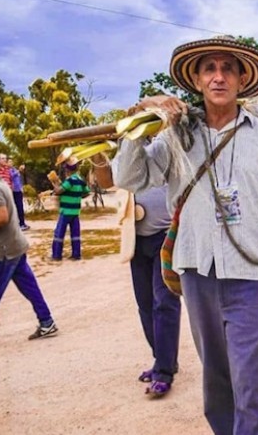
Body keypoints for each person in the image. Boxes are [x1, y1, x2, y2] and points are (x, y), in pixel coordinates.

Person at [112, 35, 258, 435]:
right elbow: (131, 177)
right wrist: (139, 120)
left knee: (254, 383)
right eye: (210, 68)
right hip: (197, 274)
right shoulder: (175, 135)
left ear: (243, 80)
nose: (219, 76)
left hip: (251, 277)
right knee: (217, 383)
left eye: (229, 68)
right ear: (197, 80)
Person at [91, 152, 181, 398]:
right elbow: (107, 182)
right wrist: (97, 156)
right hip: (136, 238)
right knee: (145, 304)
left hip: (167, 236)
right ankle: (163, 359)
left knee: (165, 303)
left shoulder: (166, 146)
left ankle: (164, 372)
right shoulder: (125, 152)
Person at [0, 153, 58, 348]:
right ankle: (47, 322)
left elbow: (1, 217)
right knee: (29, 287)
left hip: (5, 250)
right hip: (15, 246)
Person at [51, 158, 90, 261]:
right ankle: (76, 254)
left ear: (67, 170)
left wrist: (55, 183)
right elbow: (87, 192)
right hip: (76, 211)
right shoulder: (81, 181)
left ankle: (57, 255)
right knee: (75, 234)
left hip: (65, 211)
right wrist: (78, 196)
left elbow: (59, 191)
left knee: (59, 233)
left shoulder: (70, 181)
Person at [7, 157, 30, 230]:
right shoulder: (8, 171)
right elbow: (11, 177)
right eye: (9, 162)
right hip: (13, 191)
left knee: (20, 207)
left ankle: (22, 223)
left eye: (11, 161)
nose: (11, 163)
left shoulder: (14, 169)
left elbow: (18, 179)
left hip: (18, 190)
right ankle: (19, 224)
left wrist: (21, 187)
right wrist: (18, 171)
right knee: (17, 207)